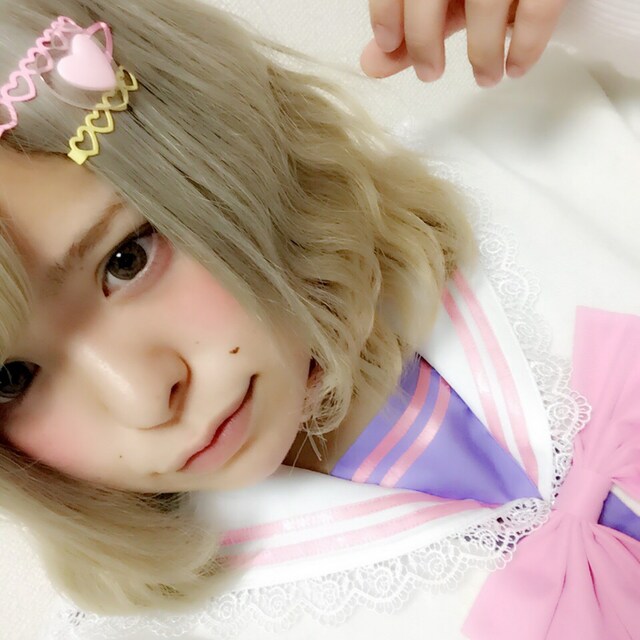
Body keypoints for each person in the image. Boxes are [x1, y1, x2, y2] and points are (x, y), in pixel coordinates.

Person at [1, 1, 639, 638]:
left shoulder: (548, 138)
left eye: (127, 259)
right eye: (11, 378)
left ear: (215, 151)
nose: (143, 396)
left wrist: (599, 14)